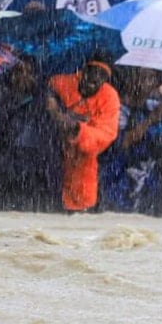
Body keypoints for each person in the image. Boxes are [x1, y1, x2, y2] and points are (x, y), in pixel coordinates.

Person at [45, 59, 121, 212]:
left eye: (101, 76)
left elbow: (106, 134)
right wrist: (53, 109)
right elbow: (49, 89)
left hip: (85, 165)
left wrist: (76, 128)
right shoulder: (63, 82)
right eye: (91, 72)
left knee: (81, 213)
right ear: (83, 71)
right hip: (52, 154)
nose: (94, 79)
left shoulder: (110, 97)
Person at [0, 56, 60, 211]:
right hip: (6, 168)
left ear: (36, 75)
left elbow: (54, 130)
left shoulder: (47, 98)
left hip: (39, 170)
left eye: (29, 72)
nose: (23, 76)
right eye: (19, 71)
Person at [99, 68, 162, 214]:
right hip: (119, 174)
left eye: (152, 78)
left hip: (147, 177)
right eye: (143, 78)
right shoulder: (117, 108)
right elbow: (123, 142)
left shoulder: (153, 105)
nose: (147, 83)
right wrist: (150, 120)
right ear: (131, 80)